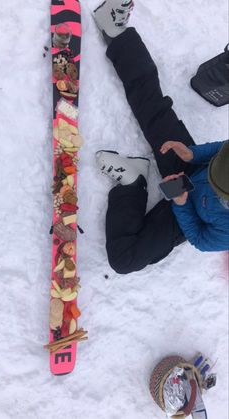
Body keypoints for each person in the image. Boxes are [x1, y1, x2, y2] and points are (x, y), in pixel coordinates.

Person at [93, 0, 229, 274]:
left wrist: (180, 205)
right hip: (191, 166)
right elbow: (222, 149)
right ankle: (117, 34)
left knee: (124, 260)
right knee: (153, 108)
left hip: (186, 214)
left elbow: (201, 240)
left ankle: (132, 182)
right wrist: (194, 155)